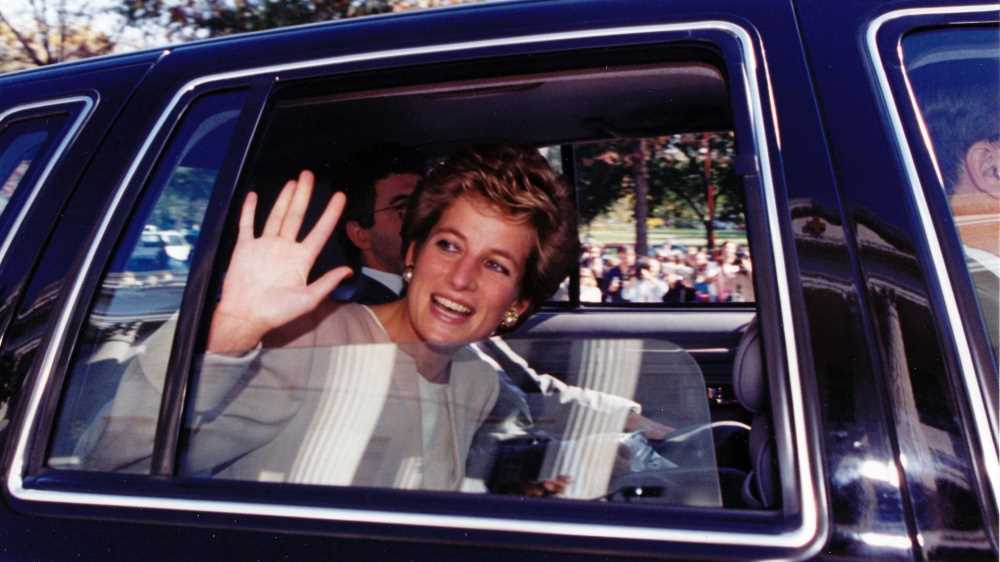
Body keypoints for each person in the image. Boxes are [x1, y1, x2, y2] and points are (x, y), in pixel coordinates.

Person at [197, 144, 581, 491]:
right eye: (449, 245)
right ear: (413, 254)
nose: (461, 279)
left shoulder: (475, 381)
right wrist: (232, 331)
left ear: (518, 304)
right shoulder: (312, 341)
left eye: (496, 265)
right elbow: (166, 452)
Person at [335, 147, 423, 304]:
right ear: (360, 235)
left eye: (426, 206)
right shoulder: (360, 311)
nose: (423, 219)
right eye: (403, 209)